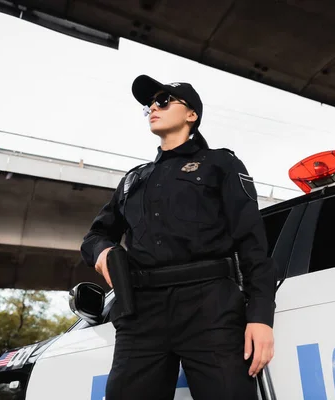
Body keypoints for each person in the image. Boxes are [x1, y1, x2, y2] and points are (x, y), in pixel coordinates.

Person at [80, 75, 276, 400]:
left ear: (191, 115)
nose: (152, 108)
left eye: (163, 101)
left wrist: (260, 317)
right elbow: (96, 235)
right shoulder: (133, 179)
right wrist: (101, 253)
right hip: (141, 314)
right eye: (149, 105)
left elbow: (252, 243)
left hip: (210, 307)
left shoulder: (220, 163)